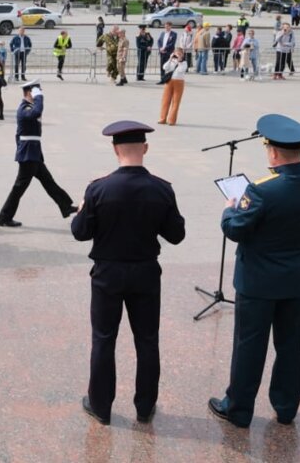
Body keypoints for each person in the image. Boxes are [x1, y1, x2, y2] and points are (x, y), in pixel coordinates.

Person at [208, 115, 300, 429]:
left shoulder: (261, 190)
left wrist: (229, 209)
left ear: (272, 152)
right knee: (290, 345)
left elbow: (235, 229)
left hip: (257, 282)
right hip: (292, 278)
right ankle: (287, 406)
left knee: (249, 345)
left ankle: (238, 408)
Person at [73, 121, 186, 426]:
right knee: (147, 340)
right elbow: (176, 235)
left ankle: (101, 406)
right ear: (145, 149)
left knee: (103, 340)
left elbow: (80, 232)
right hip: (146, 272)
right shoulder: (162, 189)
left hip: (108, 273)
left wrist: (84, 208)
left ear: (115, 150)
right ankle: (145, 406)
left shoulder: (98, 188)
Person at [0, 80, 77, 227]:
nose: (39, 95)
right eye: (36, 92)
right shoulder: (24, 109)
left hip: (33, 154)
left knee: (48, 181)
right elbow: (37, 112)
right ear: (29, 93)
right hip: (28, 156)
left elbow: (19, 134)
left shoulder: (30, 107)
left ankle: (65, 206)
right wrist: (39, 97)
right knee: (19, 188)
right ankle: (4, 217)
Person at [158, 48, 187, 126]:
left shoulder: (184, 63)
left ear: (182, 54)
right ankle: (162, 118)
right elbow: (165, 67)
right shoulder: (171, 61)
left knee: (175, 102)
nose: (178, 55)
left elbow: (181, 70)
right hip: (169, 82)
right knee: (165, 101)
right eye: (176, 53)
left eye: (180, 53)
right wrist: (170, 59)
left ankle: (172, 120)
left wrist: (179, 61)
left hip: (179, 82)